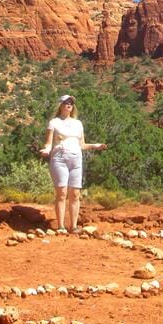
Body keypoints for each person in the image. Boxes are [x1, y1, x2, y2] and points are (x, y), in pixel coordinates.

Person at [39, 95, 106, 231]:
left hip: (76, 159)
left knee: (75, 193)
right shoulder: (54, 122)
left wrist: (95, 146)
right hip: (59, 158)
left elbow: (82, 144)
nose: (69, 104)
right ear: (60, 105)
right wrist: (46, 150)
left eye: (71, 103)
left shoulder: (78, 123)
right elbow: (48, 143)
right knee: (62, 193)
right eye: (66, 102)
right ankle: (61, 226)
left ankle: (74, 226)